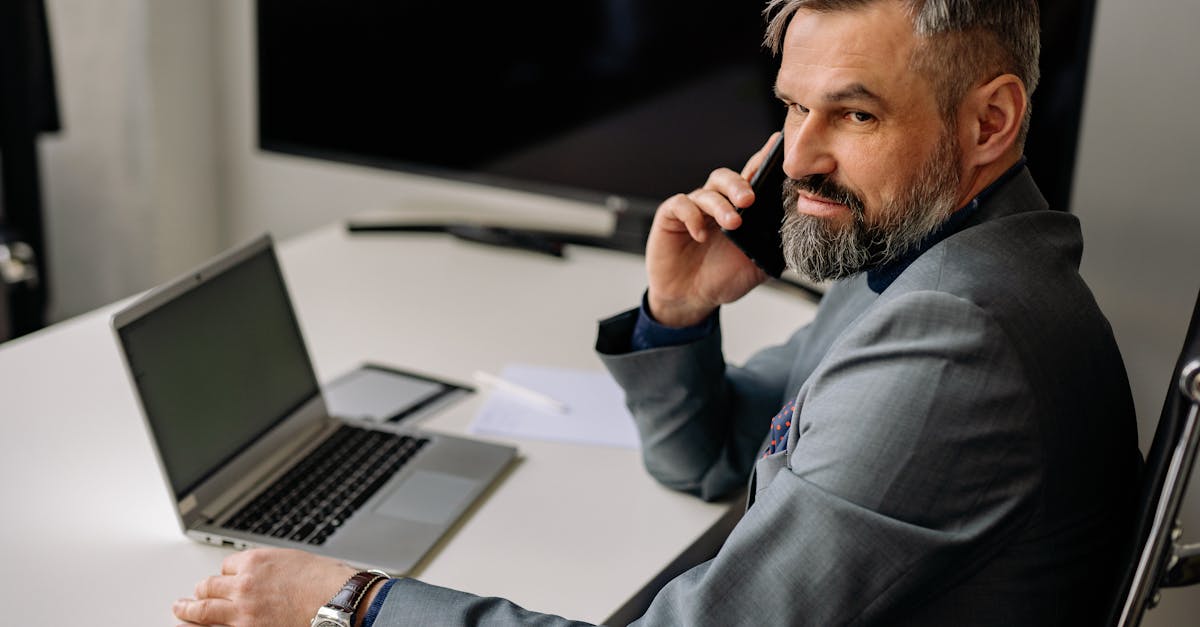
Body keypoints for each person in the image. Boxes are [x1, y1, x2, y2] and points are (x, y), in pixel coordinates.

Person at [173, 0, 1143, 625]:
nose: (797, 158)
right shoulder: (918, 255)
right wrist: (677, 313)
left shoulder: (957, 343)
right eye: (791, 109)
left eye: (855, 114)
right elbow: (713, 457)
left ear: (989, 123)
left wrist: (353, 601)